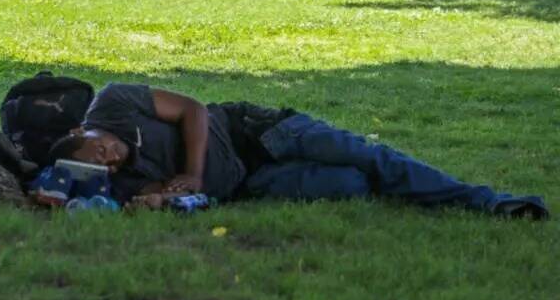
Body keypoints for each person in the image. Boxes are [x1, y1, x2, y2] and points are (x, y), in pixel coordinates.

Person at [46, 83, 548, 219]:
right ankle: (413, 192)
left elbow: (194, 110)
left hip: (258, 133)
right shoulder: (114, 185)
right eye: (101, 165)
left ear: (85, 130)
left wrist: (192, 173)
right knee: (352, 185)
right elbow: (55, 198)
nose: (109, 156)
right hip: (252, 184)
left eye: (101, 149)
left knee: (374, 159)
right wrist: (159, 196)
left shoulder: (112, 103)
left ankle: (486, 201)